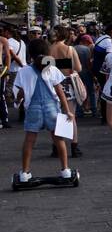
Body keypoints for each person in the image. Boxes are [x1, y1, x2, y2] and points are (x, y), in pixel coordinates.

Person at [13, 39, 75, 184]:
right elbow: (60, 92)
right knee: (58, 139)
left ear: (31, 54)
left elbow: (20, 93)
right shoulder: (52, 69)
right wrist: (67, 111)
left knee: (29, 141)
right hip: (51, 108)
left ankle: (25, 173)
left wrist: (17, 101)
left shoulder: (24, 71)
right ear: (47, 52)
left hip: (33, 110)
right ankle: (65, 170)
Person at [47, 26, 84, 158]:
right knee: (70, 116)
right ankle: (74, 147)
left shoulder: (48, 50)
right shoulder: (70, 49)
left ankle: (56, 147)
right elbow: (78, 68)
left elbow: (46, 70)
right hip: (68, 84)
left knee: (57, 117)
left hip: (52, 85)